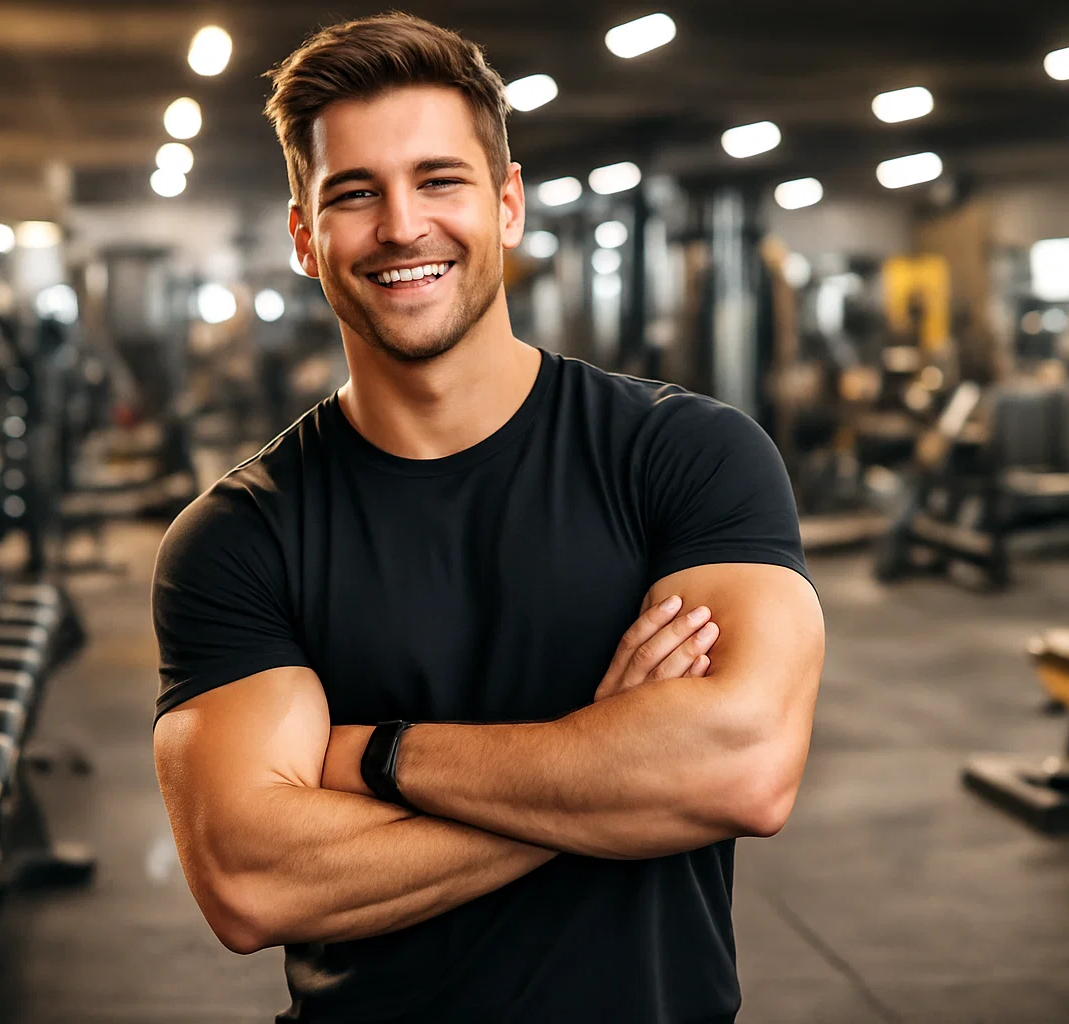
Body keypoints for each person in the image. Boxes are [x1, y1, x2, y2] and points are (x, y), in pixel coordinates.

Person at [152, 13, 823, 1023]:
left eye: (439, 180)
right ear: (304, 236)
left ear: (506, 205)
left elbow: (742, 767)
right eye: (353, 194)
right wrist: (612, 770)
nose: (401, 226)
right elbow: (253, 880)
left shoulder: (684, 456)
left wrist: (376, 757)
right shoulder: (240, 537)